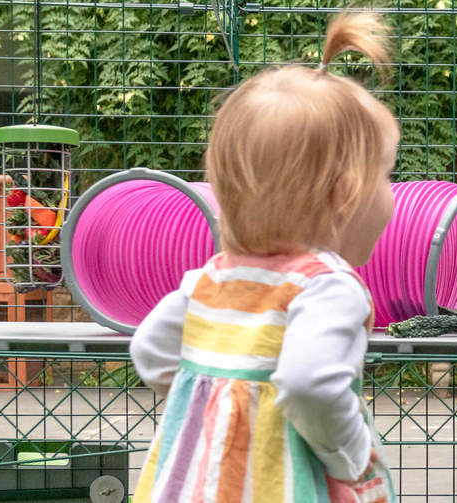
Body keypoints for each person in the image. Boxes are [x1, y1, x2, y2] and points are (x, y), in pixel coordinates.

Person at [128, 11, 398, 502]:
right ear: (345, 195)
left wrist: (214, 409)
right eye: (387, 175)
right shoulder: (327, 287)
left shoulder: (211, 278)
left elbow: (150, 350)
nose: (393, 194)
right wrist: (351, 455)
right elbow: (308, 383)